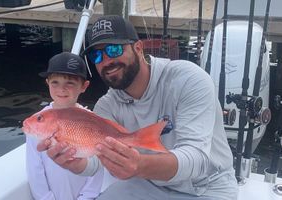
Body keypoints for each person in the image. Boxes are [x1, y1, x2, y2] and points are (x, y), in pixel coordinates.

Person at [37, 15, 238, 200]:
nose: (106, 61)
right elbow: (96, 160)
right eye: (97, 56)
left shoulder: (188, 79)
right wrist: (75, 163)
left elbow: (198, 160)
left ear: (139, 48)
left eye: (113, 50)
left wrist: (139, 166)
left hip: (208, 188)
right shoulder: (107, 105)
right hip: (149, 184)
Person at [26, 52, 104, 200]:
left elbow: (97, 166)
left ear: (84, 86)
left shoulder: (91, 120)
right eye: (55, 82)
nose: (61, 89)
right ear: (47, 82)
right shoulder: (37, 122)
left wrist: (86, 197)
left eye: (70, 83)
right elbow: (35, 170)